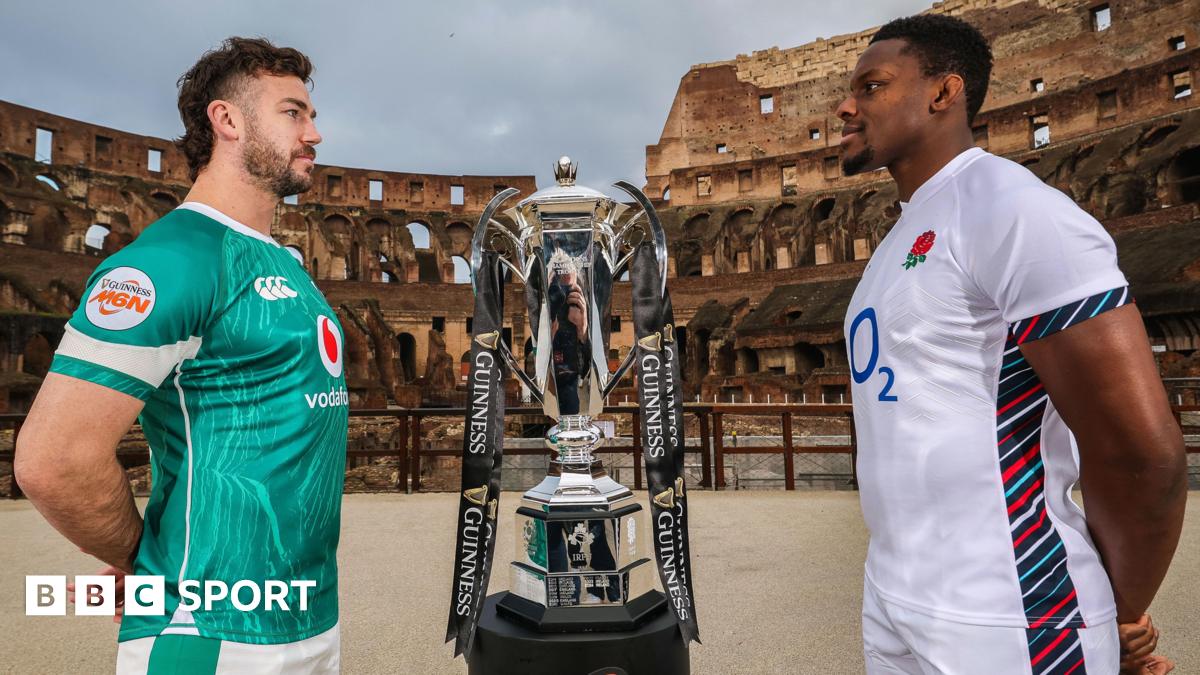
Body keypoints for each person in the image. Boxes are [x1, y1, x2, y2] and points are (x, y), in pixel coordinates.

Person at [836, 14, 1186, 675]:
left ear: (945, 92)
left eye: (873, 85)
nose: (846, 107)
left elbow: (1143, 448)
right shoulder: (894, 245)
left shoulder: (1010, 208)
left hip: (1008, 609)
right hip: (895, 595)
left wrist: (1119, 612)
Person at [15, 37, 346, 673]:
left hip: (307, 618)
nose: (315, 133)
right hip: (206, 633)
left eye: (311, 115)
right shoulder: (169, 263)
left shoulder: (283, 261)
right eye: (293, 112)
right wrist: (146, 560)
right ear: (227, 120)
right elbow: (52, 460)